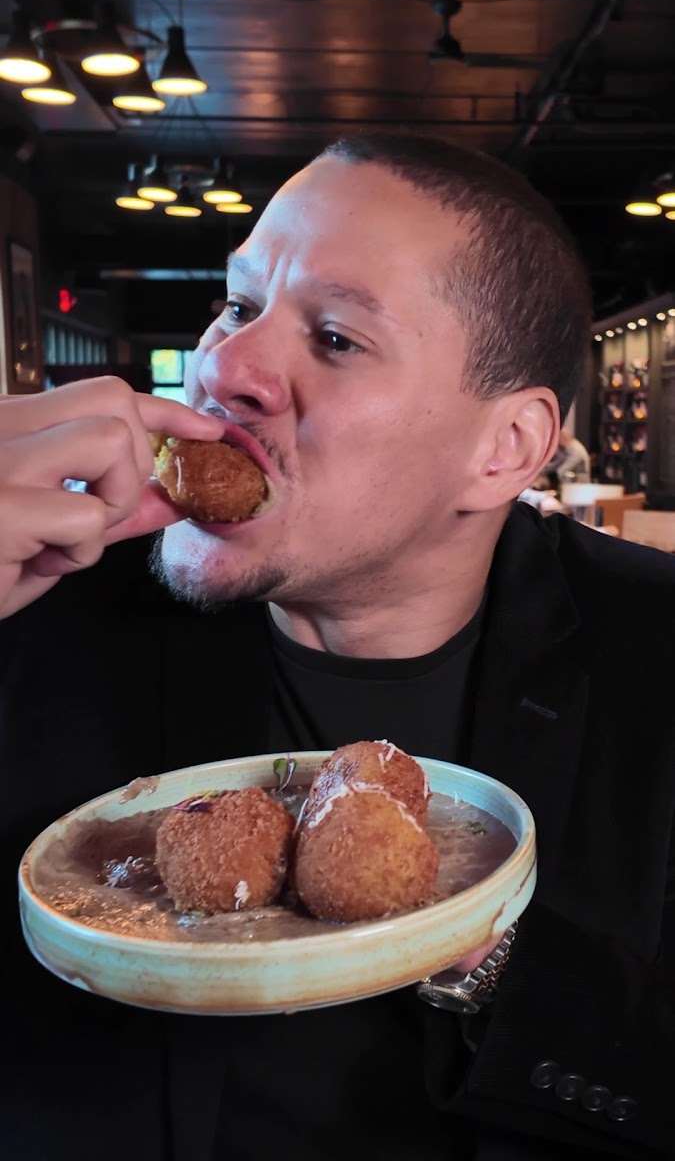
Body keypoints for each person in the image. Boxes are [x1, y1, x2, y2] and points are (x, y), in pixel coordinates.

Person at [1, 133, 673, 1161]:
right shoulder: (45, 598)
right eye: (238, 305)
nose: (223, 365)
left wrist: (477, 951)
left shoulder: (652, 652)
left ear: (505, 450)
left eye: (336, 337)